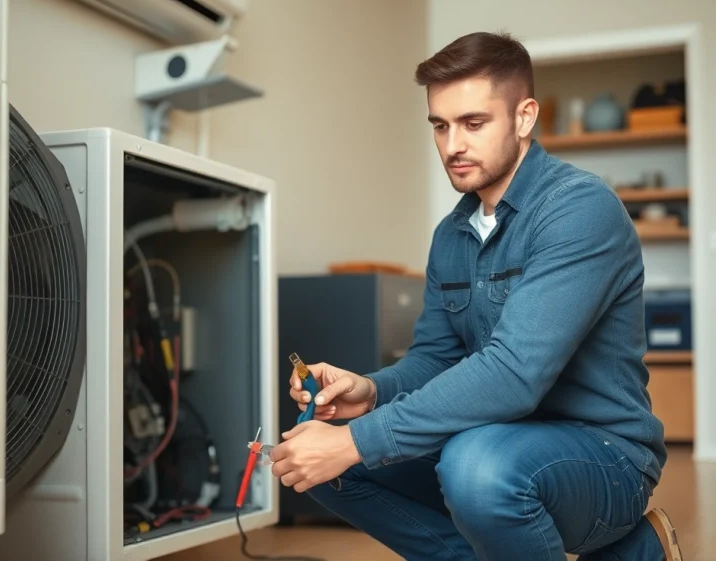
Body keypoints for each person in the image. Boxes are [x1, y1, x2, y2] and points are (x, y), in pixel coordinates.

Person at [267, 31, 685, 561]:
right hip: (492, 440)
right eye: (439, 125)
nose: (452, 145)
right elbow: (437, 360)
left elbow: (515, 373)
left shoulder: (580, 209)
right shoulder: (453, 233)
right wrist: (367, 393)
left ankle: (627, 543)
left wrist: (355, 440)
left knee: (470, 465)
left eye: (473, 123)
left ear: (524, 116)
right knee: (313, 460)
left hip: (605, 458)